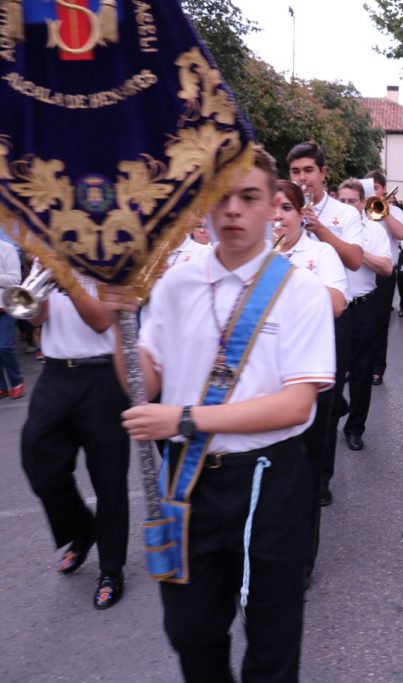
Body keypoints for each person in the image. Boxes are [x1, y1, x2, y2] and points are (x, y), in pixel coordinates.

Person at [103, 148, 335, 680]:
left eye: (249, 197)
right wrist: (120, 320)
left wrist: (184, 419)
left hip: (268, 482)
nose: (233, 210)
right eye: (220, 198)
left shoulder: (301, 291)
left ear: (274, 205)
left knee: (271, 641)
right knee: (191, 634)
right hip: (187, 485)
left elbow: (298, 403)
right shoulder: (177, 283)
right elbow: (147, 381)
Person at [21, 272, 129, 609]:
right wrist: (34, 295)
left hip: (103, 373)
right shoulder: (47, 251)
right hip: (55, 371)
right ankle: (82, 528)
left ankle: (111, 569)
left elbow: (101, 321)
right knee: (38, 459)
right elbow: (37, 316)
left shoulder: (108, 255)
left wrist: (65, 276)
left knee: (108, 477)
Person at [271, 178, 347, 583]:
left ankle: (302, 559)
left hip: (310, 373)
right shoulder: (250, 256)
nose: (276, 216)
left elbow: (336, 303)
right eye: (270, 207)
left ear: (301, 213)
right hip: (263, 377)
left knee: (306, 470)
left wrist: (286, 277)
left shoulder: (320, 254)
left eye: (285, 207)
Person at [287, 142, 363, 480]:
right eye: (295, 171)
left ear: (322, 173)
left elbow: (355, 260)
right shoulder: (282, 206)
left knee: (327, 398)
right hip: (289, 315)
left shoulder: (345, 214)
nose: (302, 178)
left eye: (308, 171)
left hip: (334, 311)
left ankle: (321, 478)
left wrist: (320, 229)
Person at [336, 179, 394, 451]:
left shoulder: (374, 230)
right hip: (334, 310)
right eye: (342, 201)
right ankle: (336, 406)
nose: (347, 206)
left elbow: (385, 267)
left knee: (361, 373)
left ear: (362, 202)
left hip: (364, 306)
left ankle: (355, 428)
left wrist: (356, 253)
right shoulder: (329, 229)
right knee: (331, 372)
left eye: (351, 201)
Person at [366, 171, 403, 385]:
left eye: (376, 187)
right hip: (361, 269)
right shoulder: (359, 210)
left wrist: (384, 213)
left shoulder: (393, 211)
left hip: (384, 272)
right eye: (369, 187)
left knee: (380, 321)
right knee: (358, 319)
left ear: (383, 189)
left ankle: (377, 367)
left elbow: (402, 234)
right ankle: (354, 364)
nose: (372, 191)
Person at [0, 238, 25, 399]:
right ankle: (1, 386)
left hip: (5, 305)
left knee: (3, 347)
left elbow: (16, 279)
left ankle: (17, 380)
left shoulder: (7, 248)